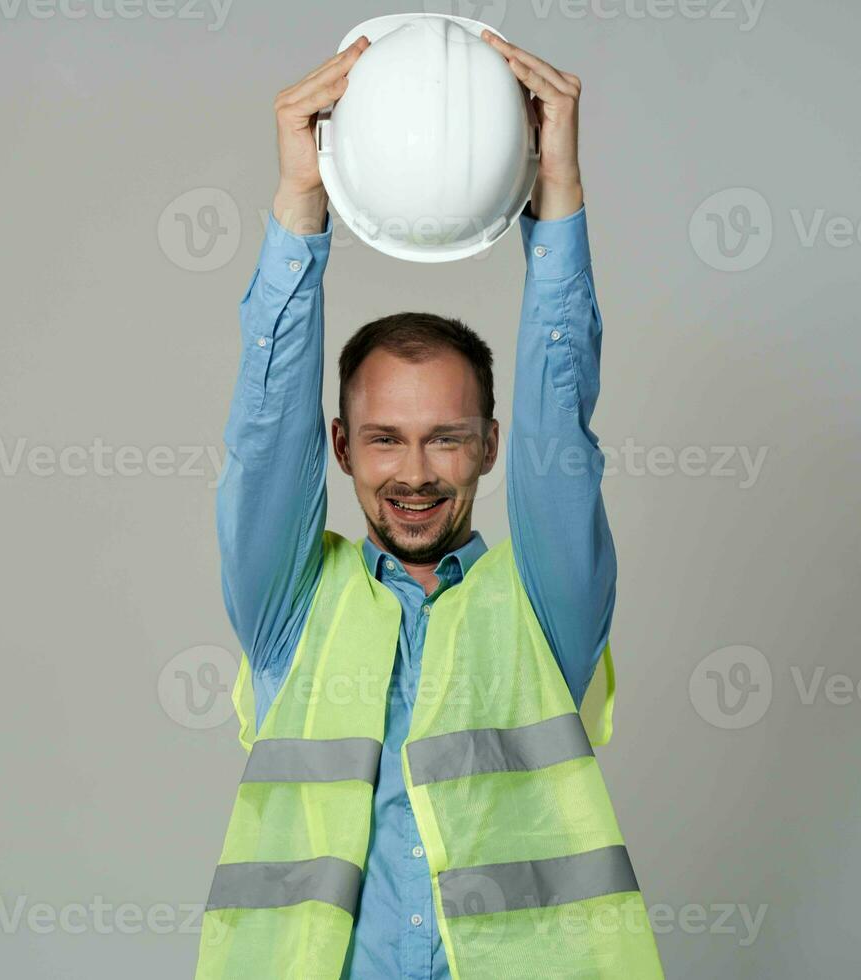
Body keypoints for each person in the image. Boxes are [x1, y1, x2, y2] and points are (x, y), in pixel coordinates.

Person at [200, 31, 663, 979]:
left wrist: (558, 193)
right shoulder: (289, 610)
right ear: (339, 448)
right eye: (384, 437)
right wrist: (300, 203)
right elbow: (263, 438)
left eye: (447, 436)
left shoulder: (544, 606)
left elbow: (558, 435)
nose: (415, 470)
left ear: (489, 446)